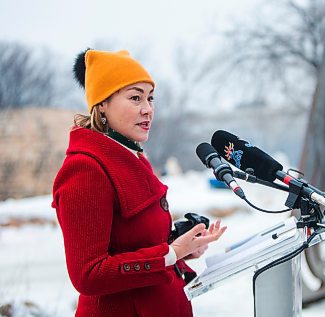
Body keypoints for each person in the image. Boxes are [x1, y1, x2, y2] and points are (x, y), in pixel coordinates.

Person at [52, 49, 226, 317]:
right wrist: (169, 254)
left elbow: (134, 242)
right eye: (135, 98)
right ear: (102, 105)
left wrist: (182, 247)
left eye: (150, 98)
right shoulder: (85, 170)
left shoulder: (131, 157)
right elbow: (88, 275)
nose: (148, 109)